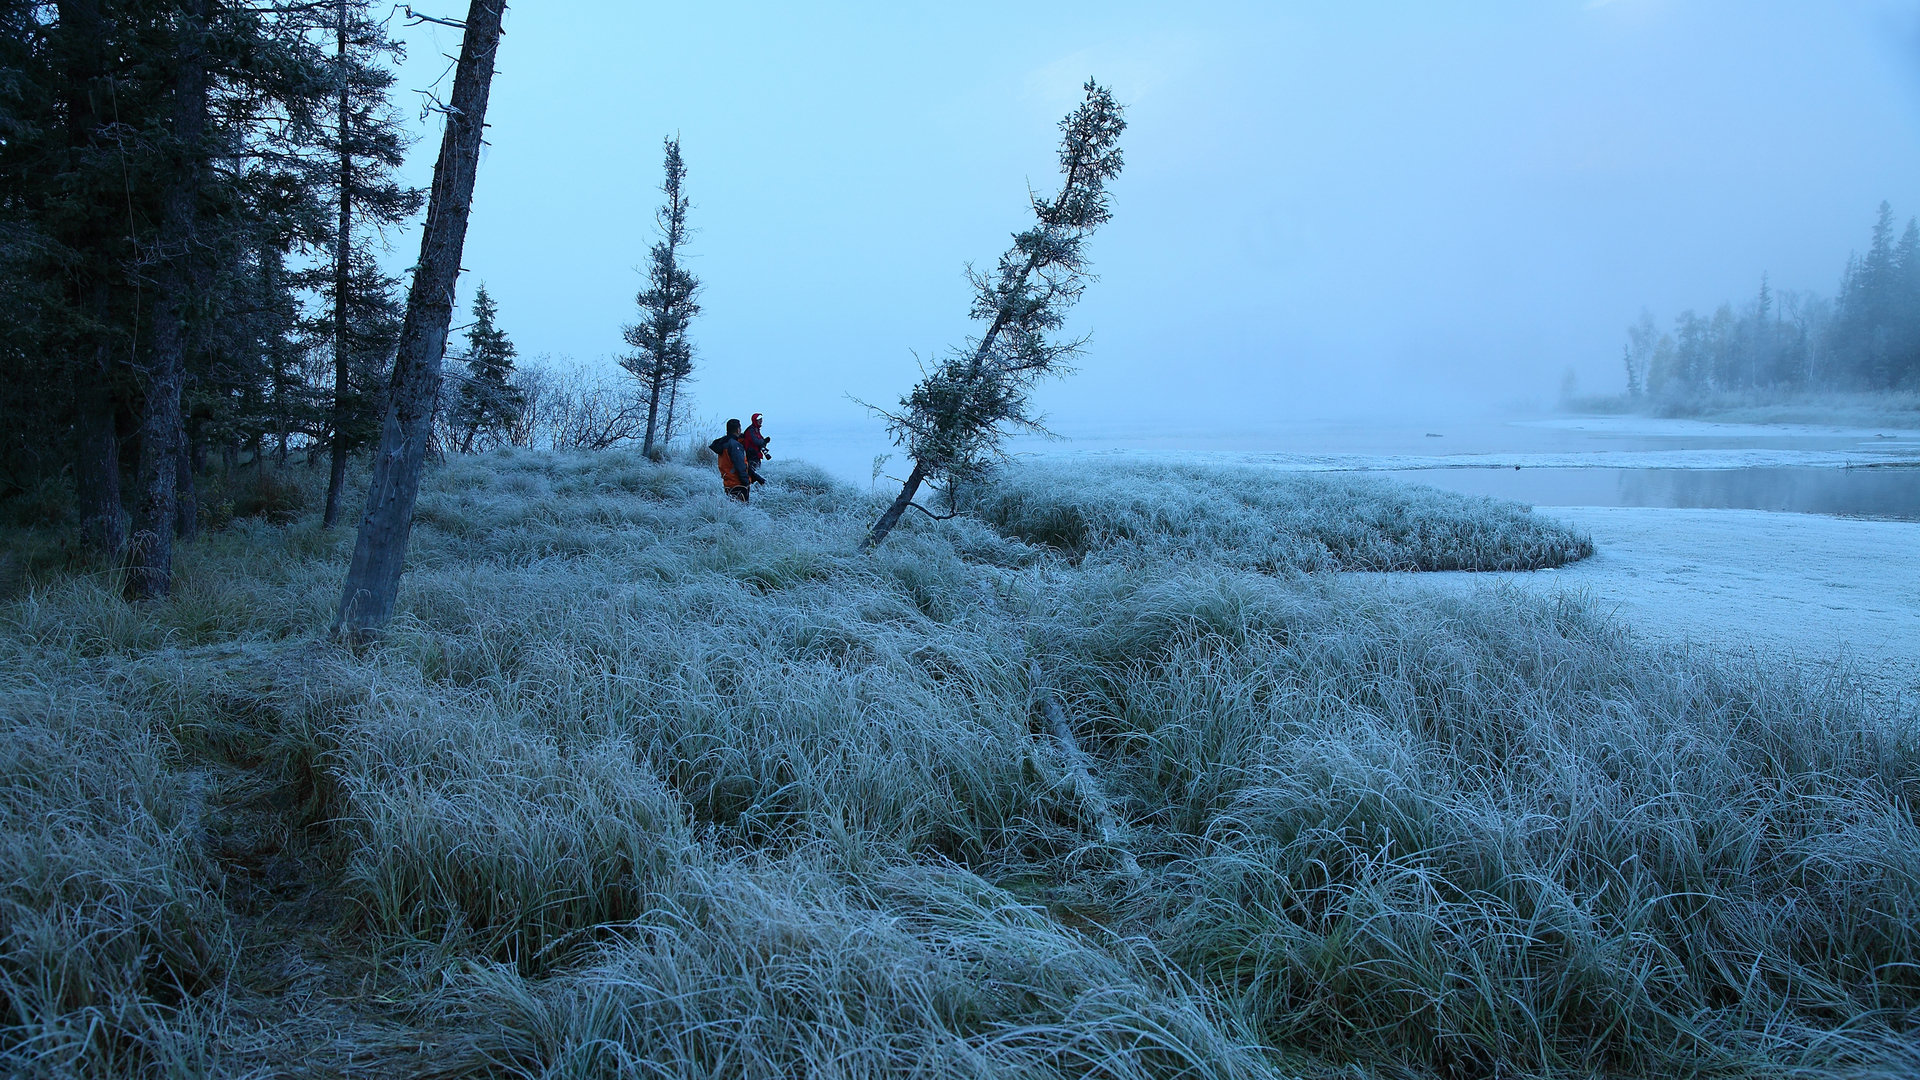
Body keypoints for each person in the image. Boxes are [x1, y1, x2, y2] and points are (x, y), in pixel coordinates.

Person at [709, 418, 764, 503]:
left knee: (734, 510)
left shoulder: (723, 443)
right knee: (742, 509)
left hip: (728, 483)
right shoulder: (734, 445)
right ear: (738, 429)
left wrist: (755, 476)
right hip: (738, 484)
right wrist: (746, 482)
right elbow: (740, 465)